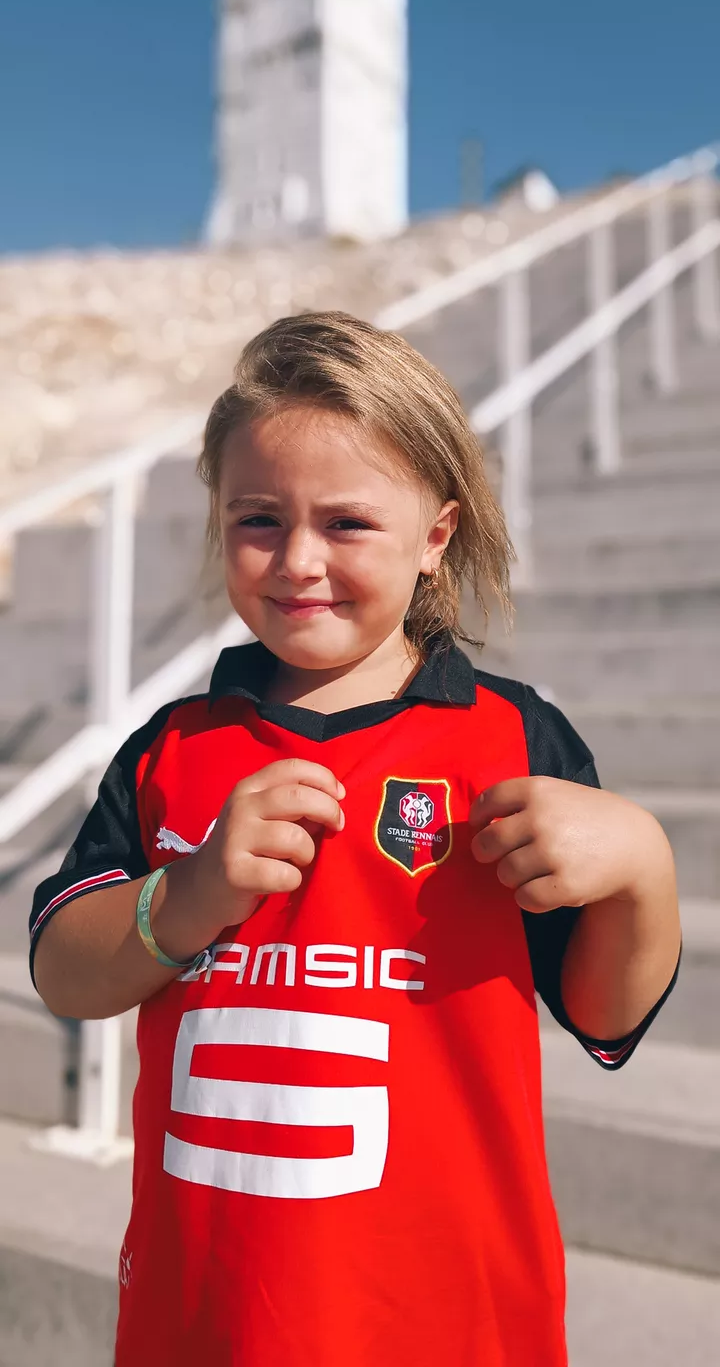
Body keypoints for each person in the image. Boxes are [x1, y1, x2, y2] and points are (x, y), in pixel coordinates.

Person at [30, 311, 681, 1367]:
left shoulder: (515, 740)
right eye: (257, 519)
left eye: (346, 523)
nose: (297, 560)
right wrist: (183, 896)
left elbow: (605, 1015)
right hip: (206, 1318)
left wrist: (643, 867)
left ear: (437, 536)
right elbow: (64, 972)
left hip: (450, 1322)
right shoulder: (169, 750)